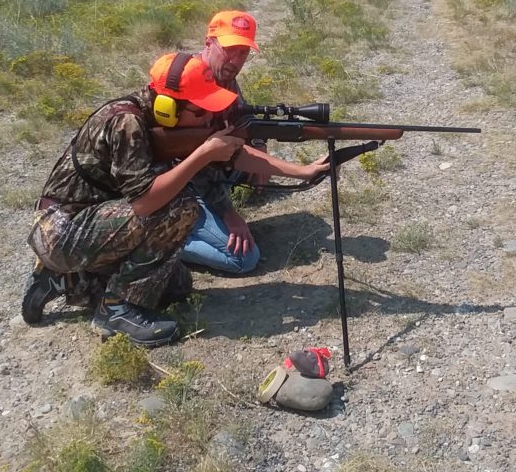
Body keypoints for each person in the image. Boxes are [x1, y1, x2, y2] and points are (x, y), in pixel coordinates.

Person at [20, 52, 329, 346]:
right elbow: (144, 204)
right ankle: (115, 311)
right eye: (200, 110)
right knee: (179, 207)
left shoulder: (162, 120)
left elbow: (238, 155)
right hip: (61, 230)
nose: (208, 116)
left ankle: (67, 281)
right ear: (168, 108)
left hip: (96, 224)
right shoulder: (126, 124)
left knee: (176, 286)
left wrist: (302, 171)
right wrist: (201, 156)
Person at [180, 10, 265, 275]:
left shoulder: (223, 74)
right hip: (181, 185)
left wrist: (260, 146)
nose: (236, 60)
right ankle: (157, 241)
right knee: (244, 259)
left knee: (259, 171)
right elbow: (196, 165)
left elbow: (243, 114)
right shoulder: (187, 81)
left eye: (243, 53)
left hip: (213, 167)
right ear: (209, 42)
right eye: (229, 49)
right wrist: (229, 213)